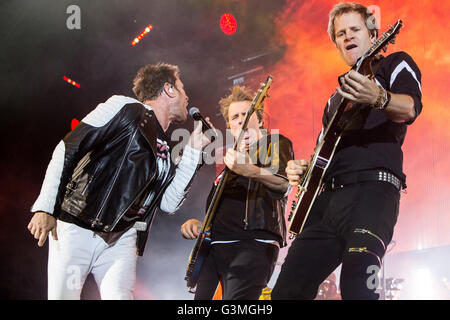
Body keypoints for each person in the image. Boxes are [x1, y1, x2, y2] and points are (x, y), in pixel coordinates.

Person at [272, 2, 422, 300]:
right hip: (326, 202)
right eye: (340, 34)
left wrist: (379, 97)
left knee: (358, 284)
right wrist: (303, 170)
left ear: (373, 34)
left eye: (355, 29)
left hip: (373, 191)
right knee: (286, 291)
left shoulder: (394, 63)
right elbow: (322, 154)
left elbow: (410, 108)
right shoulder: (333, 100)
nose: (347, 36)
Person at [27, 62, 213, 299]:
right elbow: (69, 148)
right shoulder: (123, 108)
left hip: (121, 240)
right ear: (169, 89)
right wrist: (45, 206)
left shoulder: (164, 148)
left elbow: (167, 203)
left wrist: (194, 151)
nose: (187, 97)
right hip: (77, 227)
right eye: (183, 88)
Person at [181, 85, 294, 300]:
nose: (240, 120)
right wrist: (199, 225)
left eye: (246, 114)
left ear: (259, 120)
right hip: (214, 248)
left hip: (252, 244)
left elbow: (283, 185)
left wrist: (250, 170)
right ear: (231, 126)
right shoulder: (227, 166)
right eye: (235, 117)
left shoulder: (274, 143)